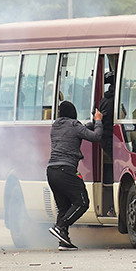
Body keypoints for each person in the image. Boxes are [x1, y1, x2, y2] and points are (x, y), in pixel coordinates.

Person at [47, 101, 103, 250]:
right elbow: (96, 136)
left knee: (64, 207)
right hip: (66, 169)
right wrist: (98, 121)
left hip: (51, 171)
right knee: (82, 202)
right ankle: (60, 226)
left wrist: (89, 124)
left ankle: (63, 241)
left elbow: (81, 130)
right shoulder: (73, 125)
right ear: (73, 113)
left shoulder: (55, 126)